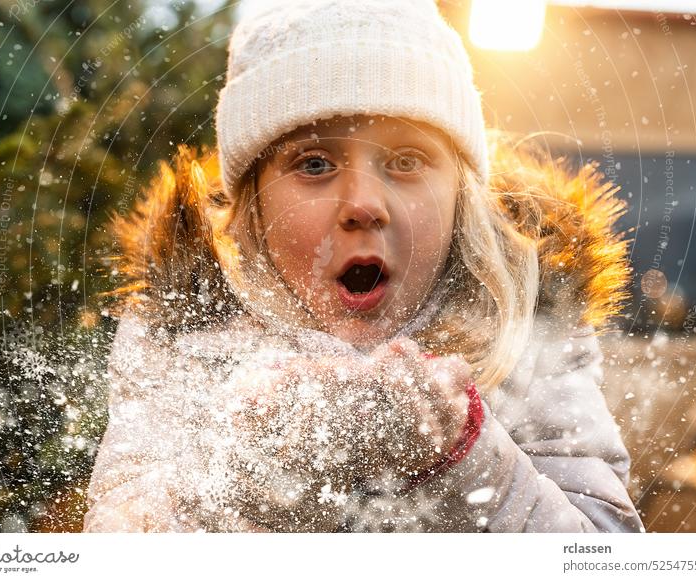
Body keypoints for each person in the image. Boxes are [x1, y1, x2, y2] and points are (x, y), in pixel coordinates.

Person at [82, 0, 645, 533]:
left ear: (459, 198)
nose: (364, 205)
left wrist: (464, 459)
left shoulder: (527, 324)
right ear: (254, 204)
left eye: (406, 161)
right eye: (315, 163)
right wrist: (249, 476)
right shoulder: (186, 331)